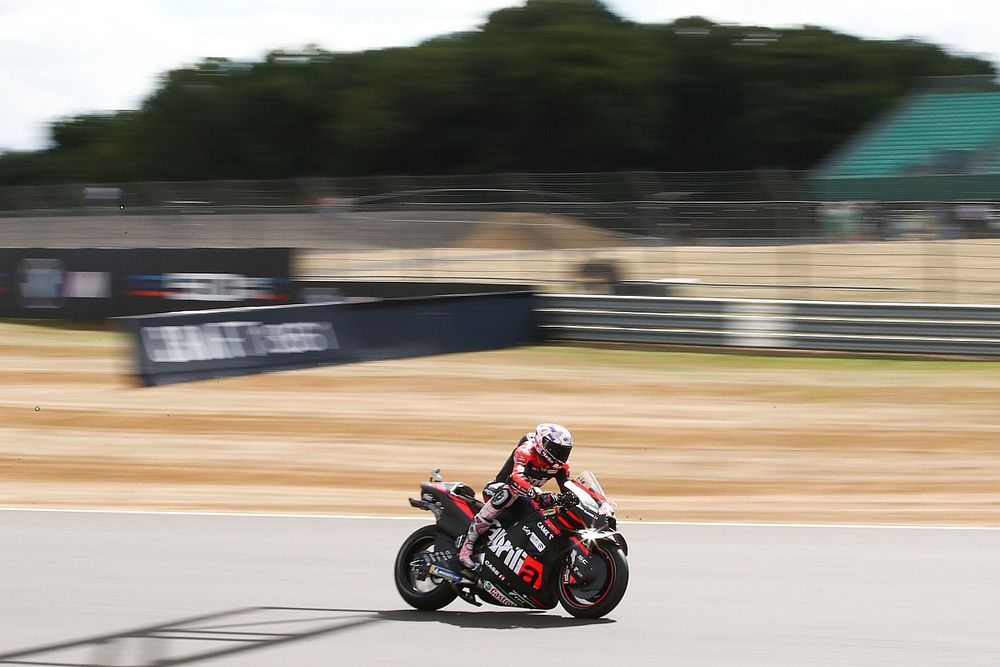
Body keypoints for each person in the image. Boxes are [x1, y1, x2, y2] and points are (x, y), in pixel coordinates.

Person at [456, 422, 574, 574]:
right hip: (498, 489)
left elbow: (568, 487)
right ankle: (466, 546)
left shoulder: (560, 466)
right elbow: (516, 478)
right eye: (557, 450)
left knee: (552, 510)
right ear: (543, 444)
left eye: (564, 452)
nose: (560, 456)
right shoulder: (526, 451)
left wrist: (582, 499)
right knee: (507, 493)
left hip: (526, 496)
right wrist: (535, 492)